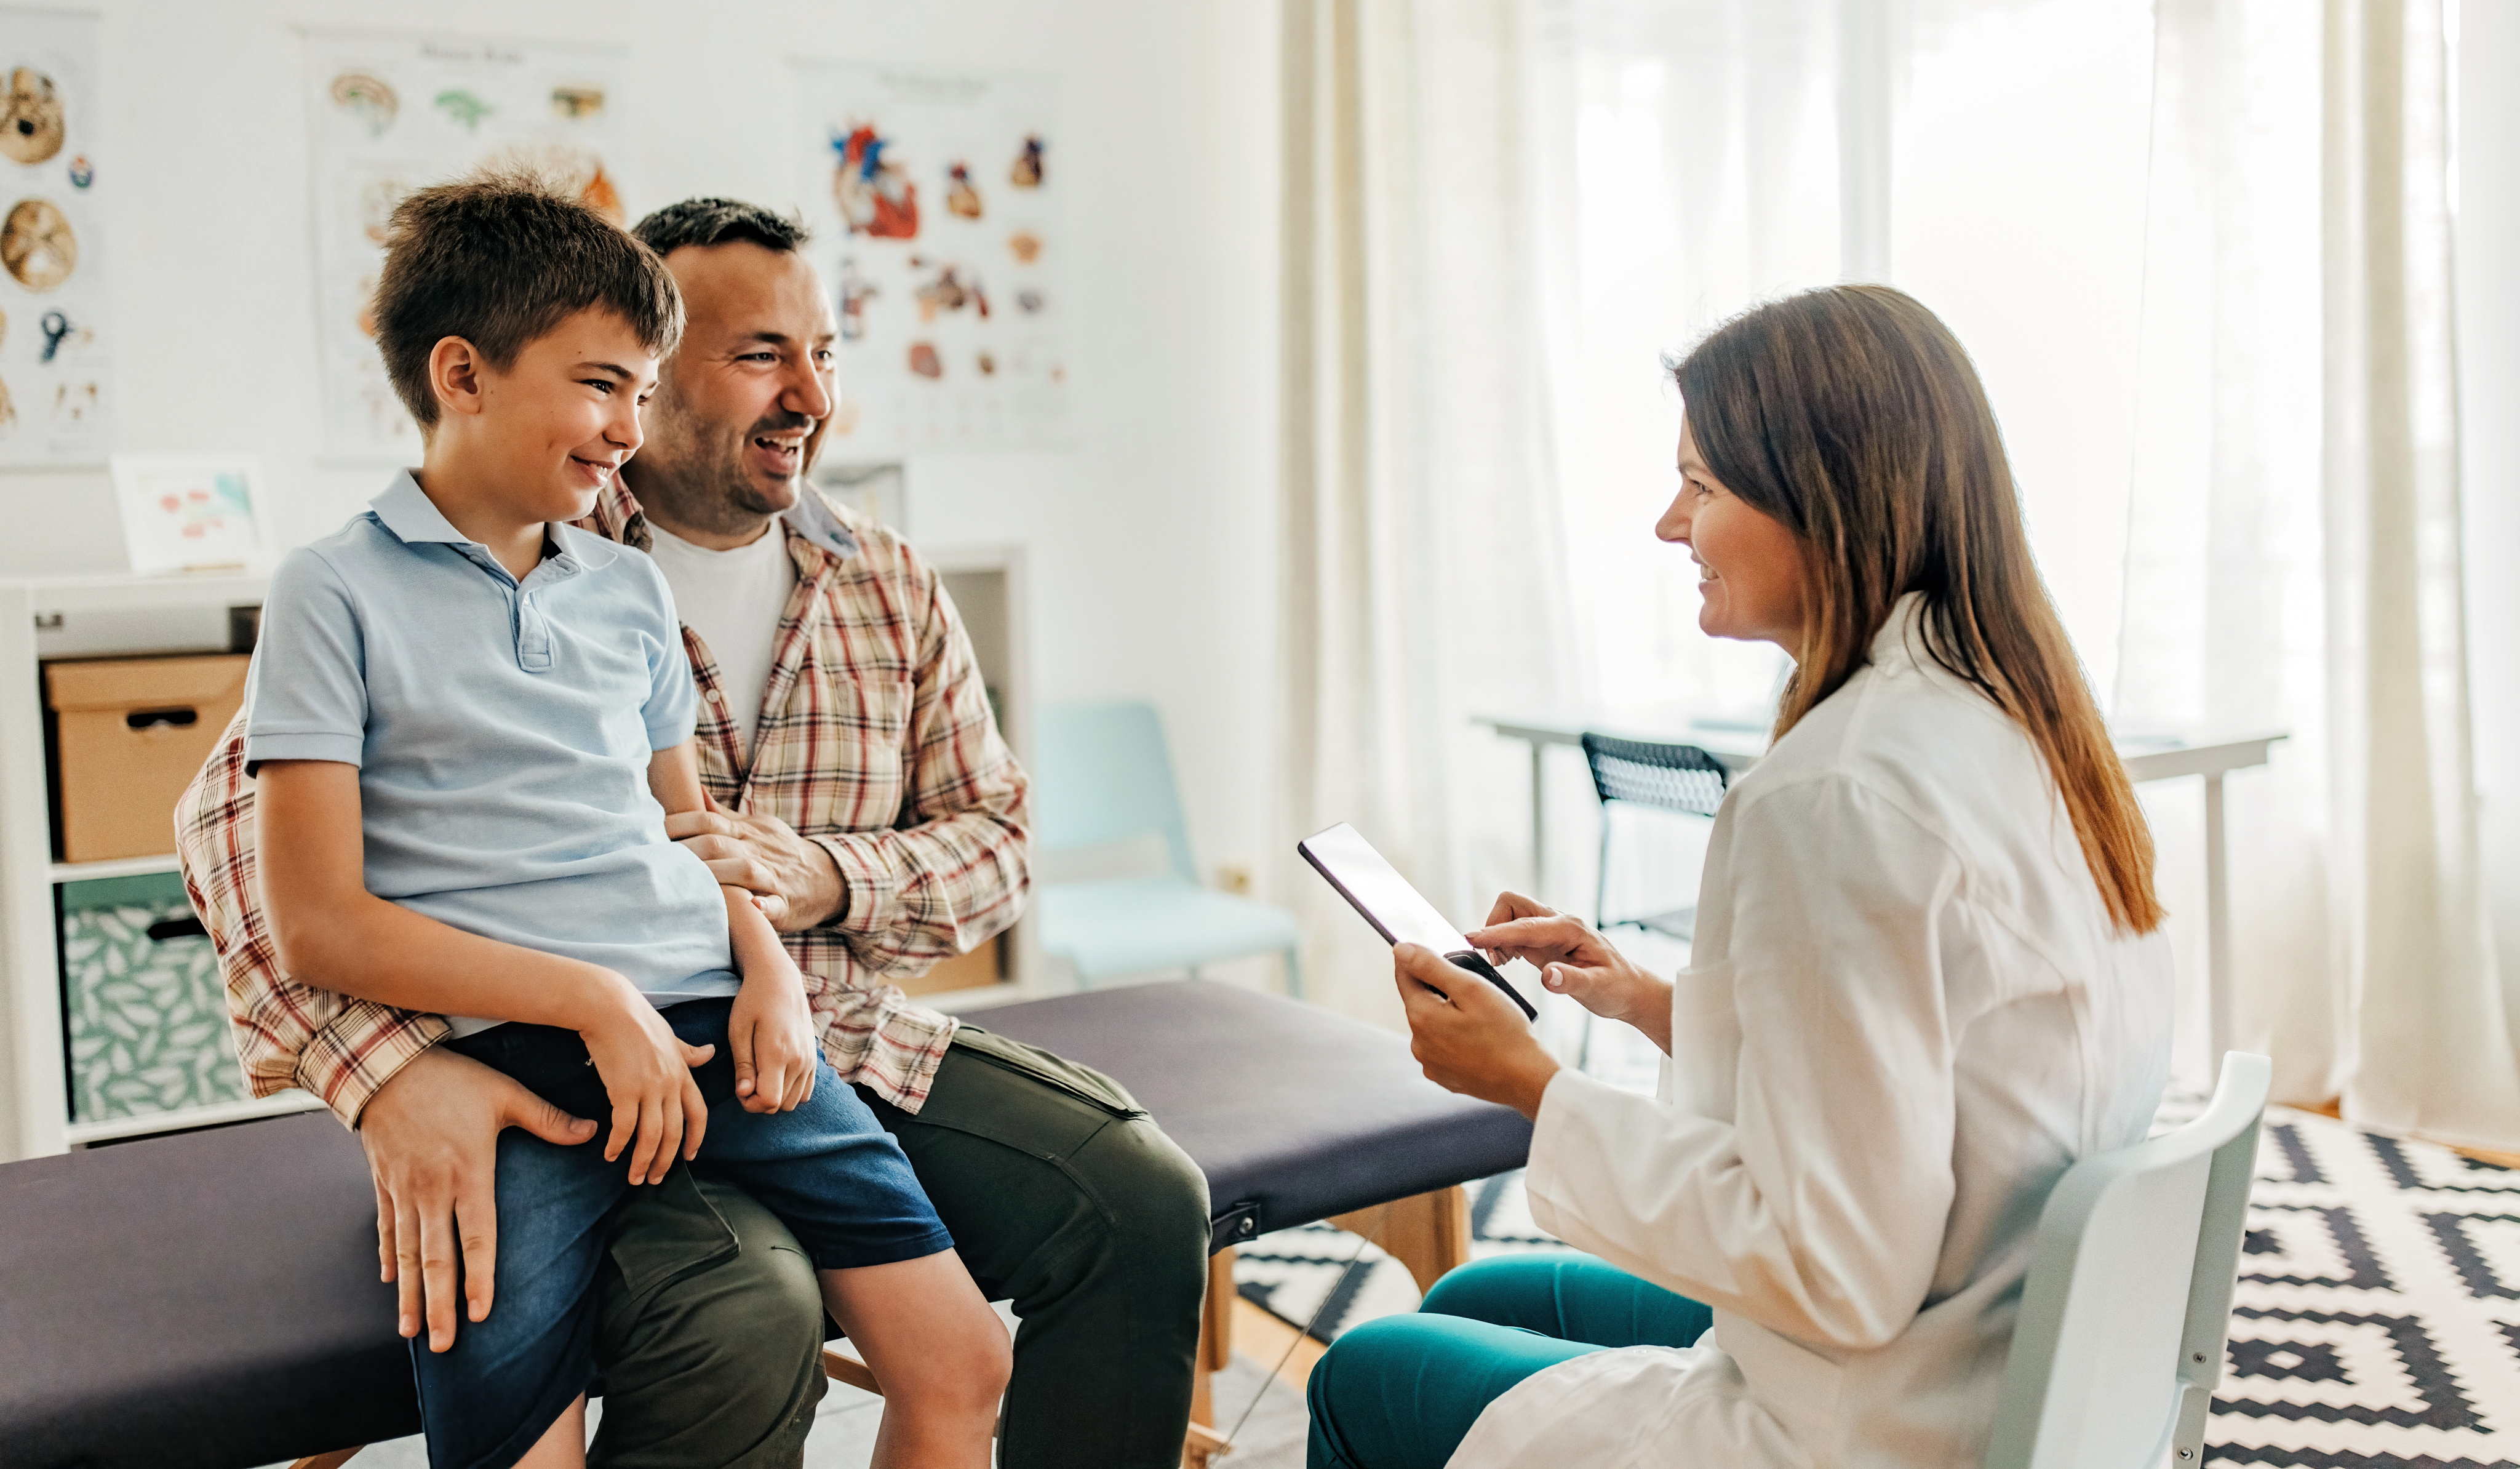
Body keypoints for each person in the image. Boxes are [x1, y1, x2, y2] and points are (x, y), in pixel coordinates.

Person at [178, 195, 1211, 1469]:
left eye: (823, 353)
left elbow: (994, 840)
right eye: (760, 355)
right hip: (565, 1055)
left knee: (1138, 1195)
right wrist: (388, 1072)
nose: (810, 396)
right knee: (744, 1310)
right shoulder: (422, 568)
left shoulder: (875, 581)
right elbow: (242, 851)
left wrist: (817, 887)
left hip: (821, 1039)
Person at [1305, 285, 2175, 1468]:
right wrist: (1656, 1005)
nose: (1672, 526)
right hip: (1992, 1344)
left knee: (1365, 1371)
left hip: (1869, 1414)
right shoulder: (2022, 726)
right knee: (1474, 1297)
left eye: (1701, 485)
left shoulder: (1834, 796)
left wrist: (1533, 1091)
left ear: (1822, 502)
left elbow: (1840, 1270)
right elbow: (1938, 1063)